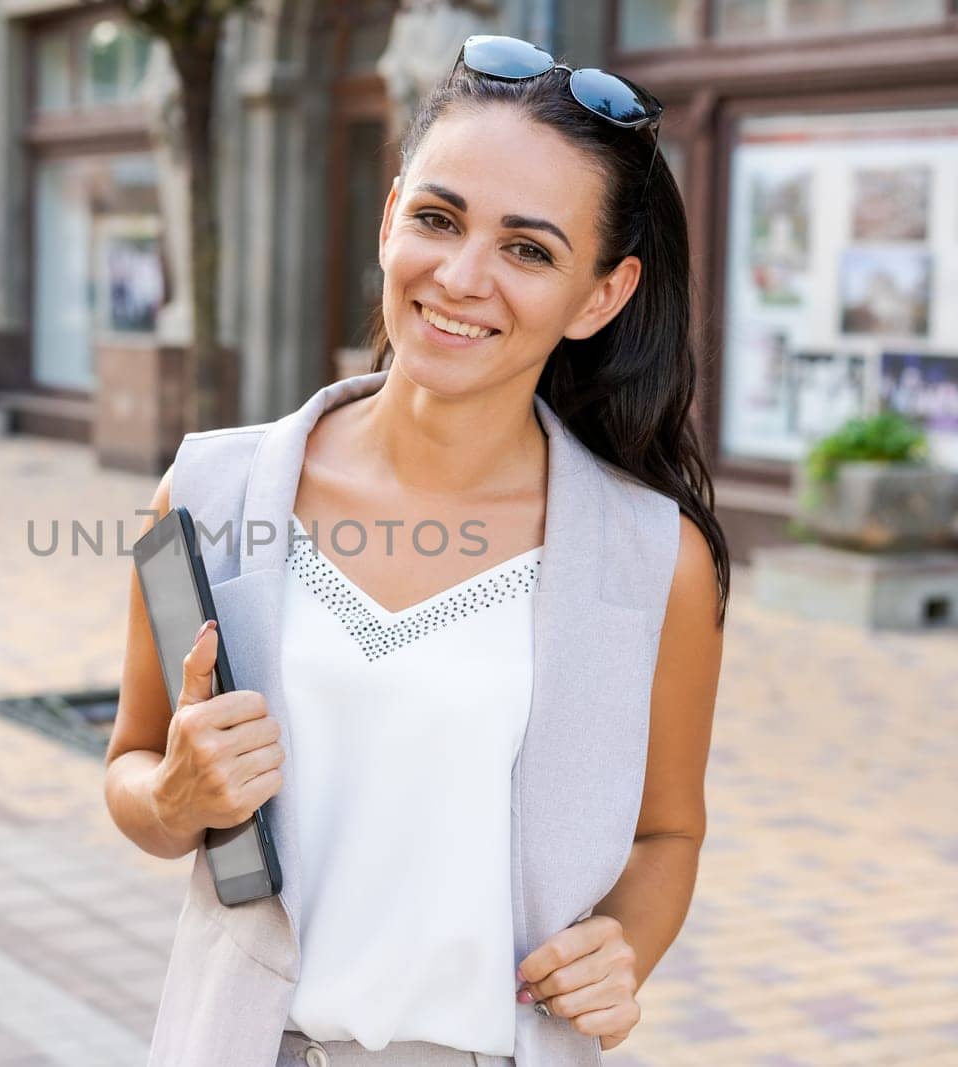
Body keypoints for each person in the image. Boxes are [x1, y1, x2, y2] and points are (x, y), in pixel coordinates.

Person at [105, 34, 727, 1067]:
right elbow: (134, 763)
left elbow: (668, 832)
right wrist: (171, 796)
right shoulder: (211, 495)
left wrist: (626, 948)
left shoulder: (652, 558)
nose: (462, 276)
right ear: (391, 217)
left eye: (528, 249)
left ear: (599, 297)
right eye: (438, 219)